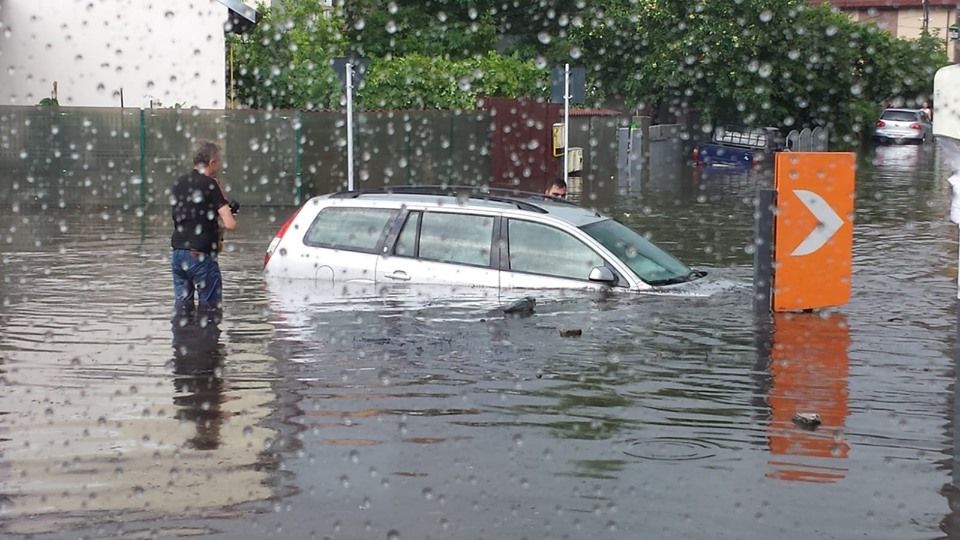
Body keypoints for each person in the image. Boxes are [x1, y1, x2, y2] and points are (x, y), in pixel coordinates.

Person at [170, 141, 237, 313]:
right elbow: (230, 224)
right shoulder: (210, 184)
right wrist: (222, 199)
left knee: (183, 308)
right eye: (219, 161)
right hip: (200, 254)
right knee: (210, 310)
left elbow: (187, 215)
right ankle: (208, 338)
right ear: (212, 162)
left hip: (178, 253)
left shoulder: (179, 183)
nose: (219, 165)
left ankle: (182, 338)